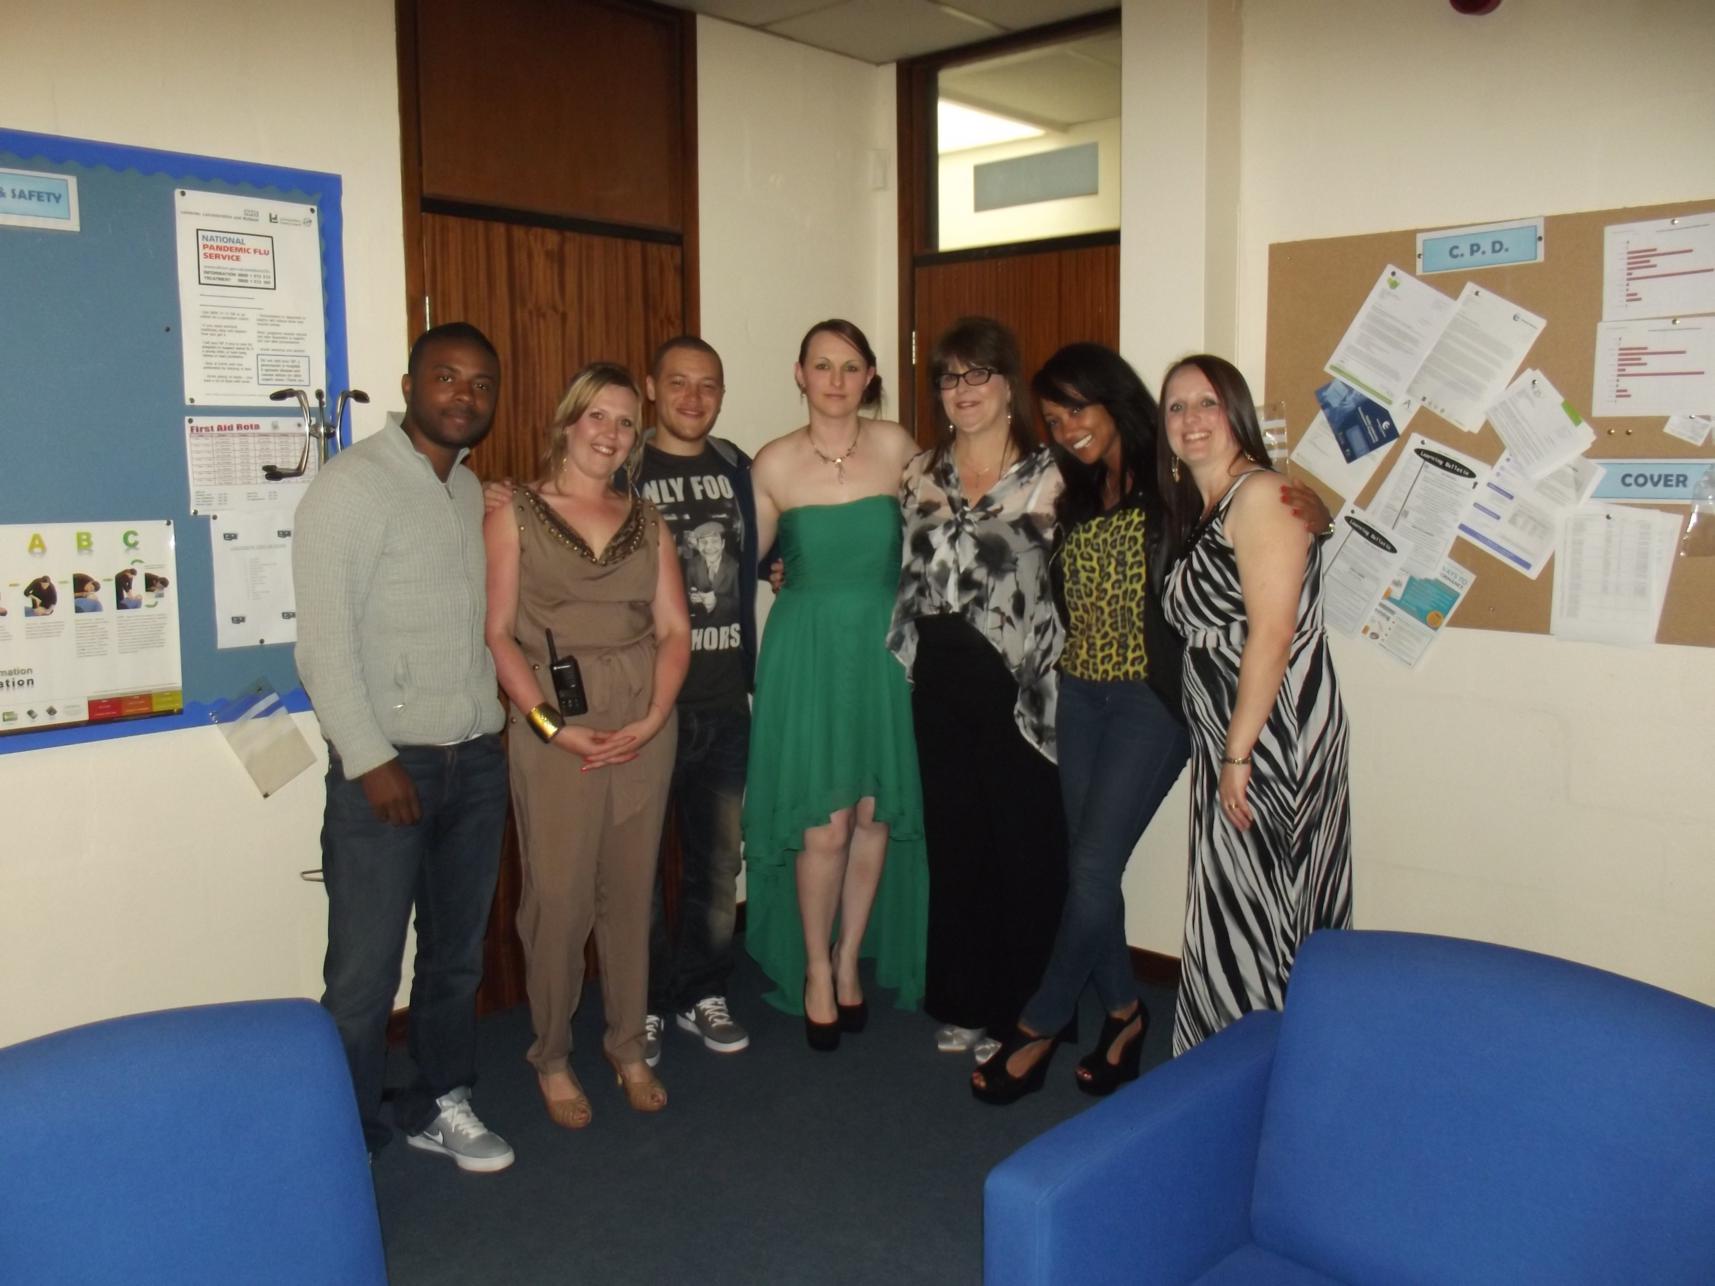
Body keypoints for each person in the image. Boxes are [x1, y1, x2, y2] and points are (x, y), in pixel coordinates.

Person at [293, 321, 513, 1171]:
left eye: (481, 383)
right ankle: (341, 1140)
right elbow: (323, 645)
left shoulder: (467, 489)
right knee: (363, 976)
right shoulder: (351, 486)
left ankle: (439, 1100)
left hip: (475, 761)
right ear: (410, 385)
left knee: (455, 958)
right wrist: (369, 756)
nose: (464, 394)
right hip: (387, 765)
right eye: (447, 377)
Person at [969, 342, 1189, 1104]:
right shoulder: (1077, 491)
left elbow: (1258, 503)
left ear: (1112, 398)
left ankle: (1040, 1021)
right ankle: (1124, 1015)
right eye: (1054, 418)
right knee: (1089, 866)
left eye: (1075, 409)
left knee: (1091, 867)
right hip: (1080, 695)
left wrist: (1308, 507)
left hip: (1148, 703)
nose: (1066, 428)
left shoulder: (1175, 481)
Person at [484, 361, 689, 1126]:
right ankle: (552, 1054)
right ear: (568, 421)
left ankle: (627, 1045)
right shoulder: (514, 514)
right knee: (560, 900)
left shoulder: (649, 521)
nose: (610, 433)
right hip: (551, 727)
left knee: (630, 896)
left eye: (625, 422)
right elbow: (497, 635)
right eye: (597, 415)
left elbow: (674, 630)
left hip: (642, 724)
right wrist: (551, 727)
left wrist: (655, 715)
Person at [885, 317, 1068, 1065]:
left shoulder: (1055, 472)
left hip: (1020, 680)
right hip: (938, 671)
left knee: (1024, 846)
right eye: (948, 377)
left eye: (977, 373)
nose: (962, 390)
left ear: (1007, 383)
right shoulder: (917, 472)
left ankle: (1021, 1011)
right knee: (957, 841)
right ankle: (963, 1000)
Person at [1157, 354, 1352, 1054]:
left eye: (1206, 402)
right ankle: (1241, 1059)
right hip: (1233, 734)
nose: (1190, 419)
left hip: (1270, 736)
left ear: (1235, 411)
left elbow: (1271, 634)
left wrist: (1237, 754)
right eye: (1176, 407)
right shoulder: (1209, 506)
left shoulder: (1260, 495)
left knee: (1267, 900)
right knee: (1238, 900)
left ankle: (1273, 1060)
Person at [744, 318, 928, 1048]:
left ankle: (851, 956)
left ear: (870, 376)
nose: (836, 380)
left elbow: (937, 542)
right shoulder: (773, 461)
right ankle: (816, 967)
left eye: (851, 367)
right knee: (824, 825)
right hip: (809, 655)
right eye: (822, 366)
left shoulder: (899, 447)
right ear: (800, 374)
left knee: (874, 815)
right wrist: (774, 567)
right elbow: (740, 560)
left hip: (884, 650)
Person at [636, 337, 765, 1064]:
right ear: (651, 387)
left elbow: (772, 541)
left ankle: (702, 992)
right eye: (678, 382)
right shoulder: (621, 465)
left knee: (717, 866)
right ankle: (645, 1002)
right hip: (645, 706)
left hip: (722, 703)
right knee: (638, 870)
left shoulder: (737, 468)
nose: (693, 397)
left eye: (708, 384)